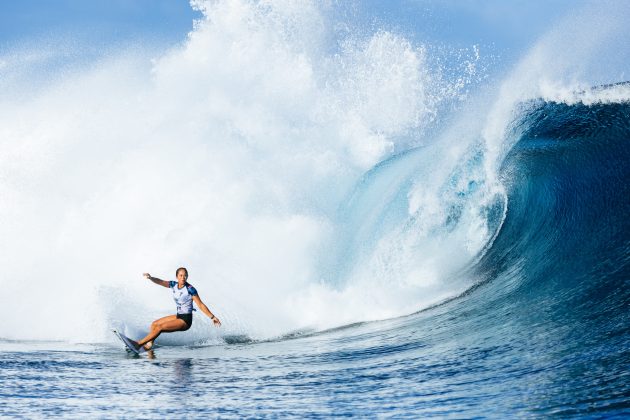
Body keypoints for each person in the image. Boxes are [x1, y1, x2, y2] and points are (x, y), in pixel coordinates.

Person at [133, 267, 221, 350]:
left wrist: (212, 317)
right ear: (177, 277)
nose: (183, 277)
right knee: (154, 324)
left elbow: (200, 305)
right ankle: (149, 345)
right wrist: (150, 278)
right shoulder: (173, 285)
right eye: (181, 275)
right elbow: (161, 282)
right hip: (179, 316)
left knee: (160, 327)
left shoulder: (190, 289)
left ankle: (138, 344)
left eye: (185, 275)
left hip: (185, 320)